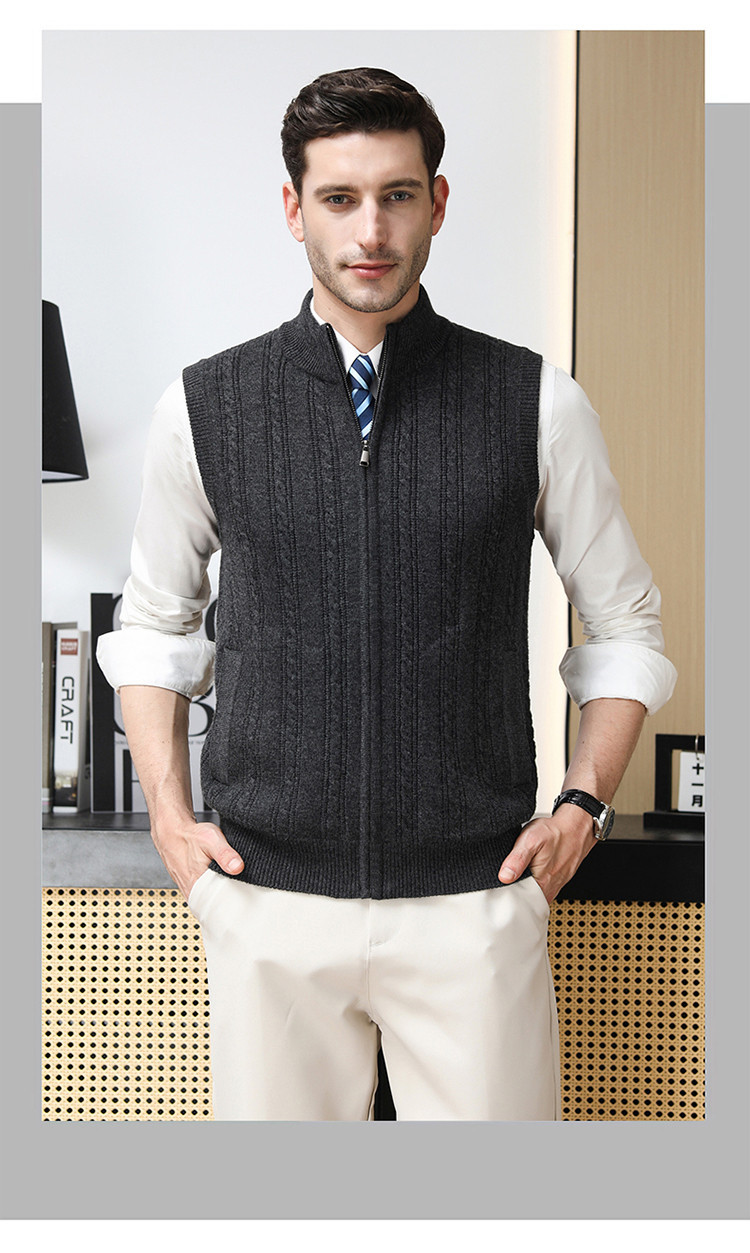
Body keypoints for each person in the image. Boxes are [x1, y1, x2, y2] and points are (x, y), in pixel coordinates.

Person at [97, 66, 677, 1121]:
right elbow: (152, 624)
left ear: (437, 203)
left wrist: (584, 805)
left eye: (397, 195)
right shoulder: (206, 404)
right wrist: (173, 821)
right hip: (269, 900)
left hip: (473, 904)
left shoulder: (536, 401)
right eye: (340, 198)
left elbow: (627, 621)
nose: (371, 231)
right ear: (294, 209)